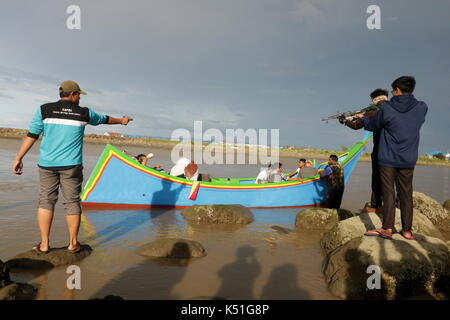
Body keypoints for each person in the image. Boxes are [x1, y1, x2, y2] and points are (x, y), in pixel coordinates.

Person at [12, 80, 133, 254]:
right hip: (71, 166)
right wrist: (121, 121)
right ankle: (73, 244)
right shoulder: (83, 113)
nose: (79, 99)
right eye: (78, 95)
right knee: (72, 202)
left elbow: (31, 135)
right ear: (73, 95)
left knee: (46, 201)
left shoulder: (43, 109)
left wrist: (18, 158)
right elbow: (105, 119)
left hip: (47, 164)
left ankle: (44, 245)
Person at [359, 76, 427, 240]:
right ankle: (407, 231)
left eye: (393, 90)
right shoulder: (421, 107)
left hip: (387, 158)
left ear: (397, 90)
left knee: (388, 192)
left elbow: (372, 125)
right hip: (408, 158)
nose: (392, 92)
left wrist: (364, 118)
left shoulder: (387, 109)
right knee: (406, 194)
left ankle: (387, 229)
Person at [339, 89, 388, 213]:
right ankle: (396, 203)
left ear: (375, 100)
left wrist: (345, 121)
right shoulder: (394, 109)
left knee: (377, 178)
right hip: (396, 149)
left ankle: (376, 205)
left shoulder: (373, 111)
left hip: (380, 149)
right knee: (393, 178)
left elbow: (357, 125)